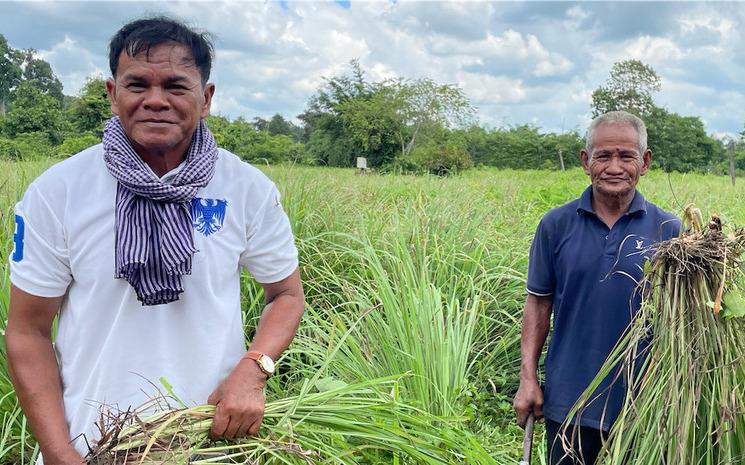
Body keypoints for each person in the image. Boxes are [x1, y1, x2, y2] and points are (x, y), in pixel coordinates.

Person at [6, 17, 304, 464]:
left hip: (209, 441)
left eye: (176, 86)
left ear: (205, 99)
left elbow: (286, 294)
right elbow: (27, 332)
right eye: (137, 84)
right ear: (112, 95)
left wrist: (254, 368)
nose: (156, 101)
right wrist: (59, 454)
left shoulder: (246, 187)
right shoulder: (59, 192)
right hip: (91, 444)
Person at [512, 111, 680, 464]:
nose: (614, 166)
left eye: (626, 156)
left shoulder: (670, 231)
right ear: (586, 162)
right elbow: (538, 304)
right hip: (569, 403)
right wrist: (528, 378)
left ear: (645, 162)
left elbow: (688, 320)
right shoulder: (555, 225)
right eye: (603, 156)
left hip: (646, 407)